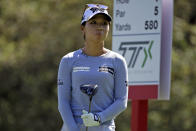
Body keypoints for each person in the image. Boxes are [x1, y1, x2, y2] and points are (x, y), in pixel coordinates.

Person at [57, 3, 128, 131]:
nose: (100, 27)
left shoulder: (118, 61)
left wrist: (98, 118)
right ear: (82, 27)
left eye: (104, 23)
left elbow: (121, 101)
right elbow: (63, 102)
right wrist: (73, 129)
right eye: (93, 22)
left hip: (104, 127)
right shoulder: (68, 60)